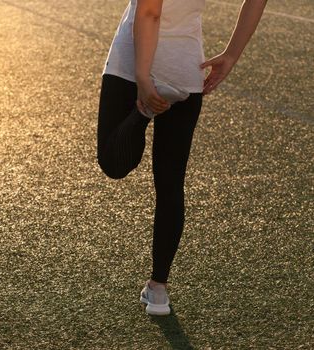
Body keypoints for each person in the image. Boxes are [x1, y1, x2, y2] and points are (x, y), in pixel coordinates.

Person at [97, 0, 267, 315]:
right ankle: (158, 288)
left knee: (113, 162)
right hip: (186, 67)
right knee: (171, 181)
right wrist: (231, 54)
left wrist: (144, 76)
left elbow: (150, 11)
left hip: (133, 60)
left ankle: (142, 111)